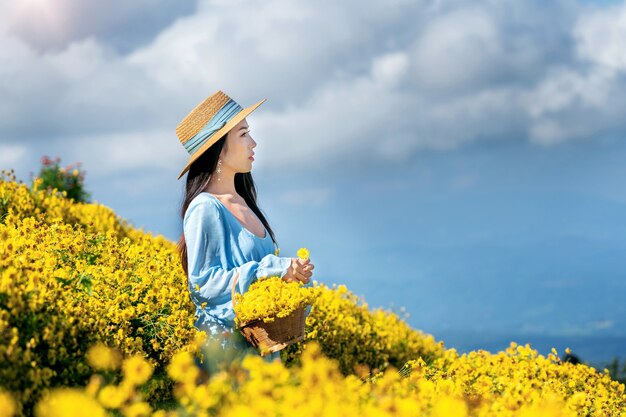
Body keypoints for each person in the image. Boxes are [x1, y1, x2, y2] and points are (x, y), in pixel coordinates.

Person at [175, 90, 314, 366]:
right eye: (243, 134)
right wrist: (273, 269)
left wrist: (293, 277)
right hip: (228, 361)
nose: (254, 143)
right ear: (218, 147)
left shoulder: (244, 203)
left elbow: (262, 279)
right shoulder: (205, 208)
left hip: (263, 358)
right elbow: (202, 284)